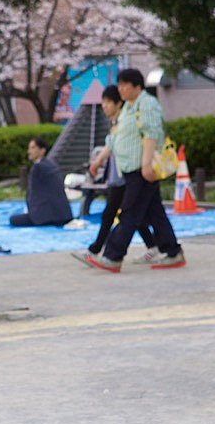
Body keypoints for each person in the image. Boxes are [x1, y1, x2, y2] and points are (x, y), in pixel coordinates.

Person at [74, 68, 185, 272]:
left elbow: (151, 134)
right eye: (119, 85)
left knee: (129, 213)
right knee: (155, 214)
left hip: (141, 170)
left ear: (137, 86)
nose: (121, 89)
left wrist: (146, 164)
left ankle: (113, 256)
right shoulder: (128, 108)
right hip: (132, 170)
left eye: (125, 85)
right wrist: (98, 160)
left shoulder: (147, 104)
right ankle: (173, 251)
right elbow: (115, 139)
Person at [85, 85, 157, 258]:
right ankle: (155, 246)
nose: (104, 106)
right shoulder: (117, 122)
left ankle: (101, 251)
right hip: (119, 177)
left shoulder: (126, 120)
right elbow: (111, 144)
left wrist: (98, 161)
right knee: (129, 215)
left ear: (118, 104)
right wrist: (98, 161)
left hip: (126, 176)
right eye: (103, 102)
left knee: (123, 214)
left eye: (108, 102)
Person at [10, 137, 72, 227]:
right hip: (64, 215)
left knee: (13, 219)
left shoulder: (38, 167)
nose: (29, 151)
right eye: (29, 148)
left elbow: (31, 194)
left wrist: (32, 211)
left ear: (42, 150)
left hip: (44, 217)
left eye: (33, 148)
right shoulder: (52, 165)